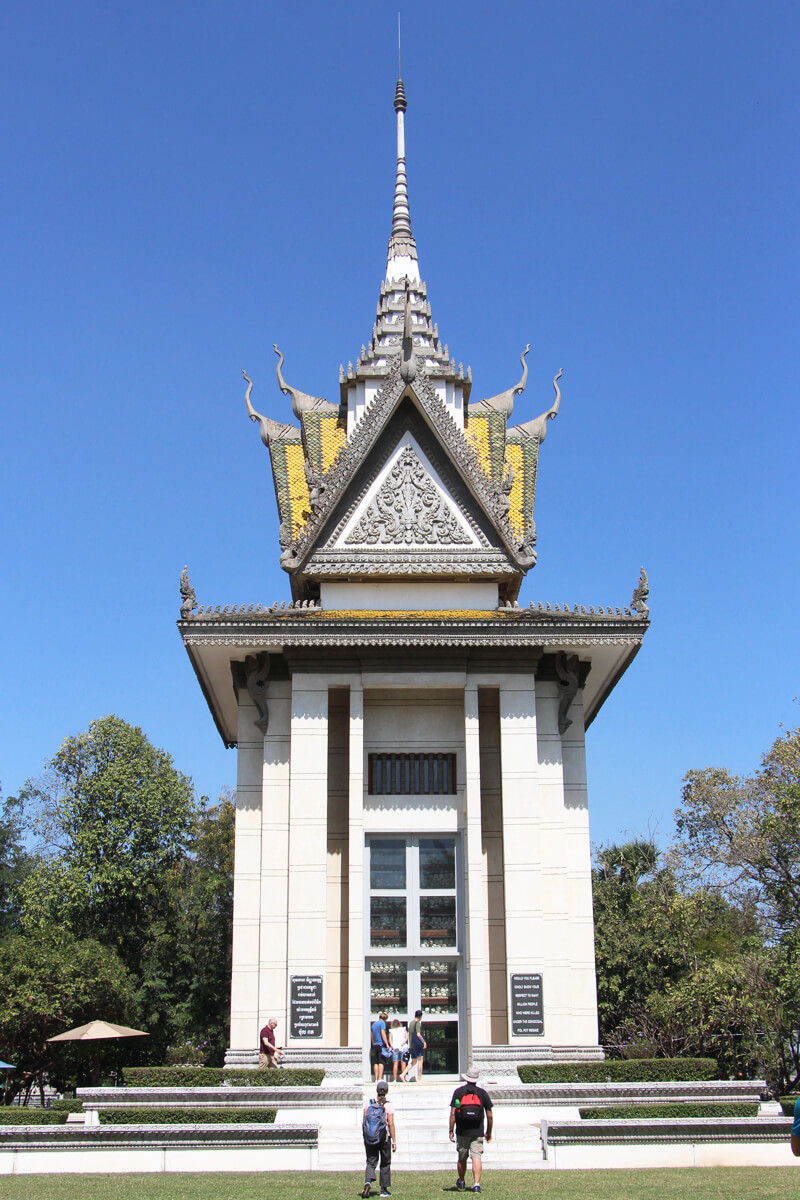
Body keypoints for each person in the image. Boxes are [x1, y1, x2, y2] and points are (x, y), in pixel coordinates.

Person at [449, 1068, 493, 1193]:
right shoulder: (482, 1093)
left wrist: (451, 1130)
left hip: (462, 1130)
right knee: (476, 1156)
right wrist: (489, 1131)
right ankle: (476, 1184)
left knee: (462, 1157)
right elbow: (489, 1115)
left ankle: (462, 1181)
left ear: (466, 1078)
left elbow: (453, 1114)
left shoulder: (458, 1092)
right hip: (477, 1130)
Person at [361, 1079, 396, 1198]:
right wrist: (394, 1141)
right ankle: (384, 1190)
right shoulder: (388, 1105)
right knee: (385, 1162)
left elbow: (364, 1121)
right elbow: (391, 1124)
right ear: (386, 1091)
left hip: (370, 1136)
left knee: (371, 1161)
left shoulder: (369, 1103)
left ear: (377, 1090)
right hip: (384, 1138)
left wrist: (365, 1136)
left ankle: (368, 1182)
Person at [405, 1009, 426, 1082]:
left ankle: (403, 1074)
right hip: (417, 1045)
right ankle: (419, 1078)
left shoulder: (411, 1023)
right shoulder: (417, 1023)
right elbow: (418, 1034)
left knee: (413, 1061)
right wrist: (424, 1042)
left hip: (411, 1045)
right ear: (420, 1016)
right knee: (420, 1060)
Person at [370, 1011, 390, 1081]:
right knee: (381, 1061)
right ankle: (380, 1078)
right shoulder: (382, 1023)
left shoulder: (373, 1024)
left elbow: (372, 1035)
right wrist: (387, 1044)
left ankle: (376, 1078)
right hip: (381, 1044)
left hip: (375, 1045)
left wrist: (373, 1043)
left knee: (376, 1062)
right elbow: (383, 1033)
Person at [389, 1019, 408, 1083]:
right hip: (403, 1047)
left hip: (395, 1047)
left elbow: (390, 1040)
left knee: (395, 1063)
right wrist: (402, 1044)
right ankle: (403, 1078)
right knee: (403, 1063)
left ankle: (395, 1079)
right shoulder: (403, 1029)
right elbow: (406, 1037)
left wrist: (392, 1047)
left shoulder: (391, 1031)